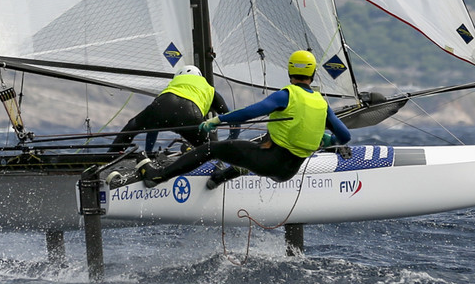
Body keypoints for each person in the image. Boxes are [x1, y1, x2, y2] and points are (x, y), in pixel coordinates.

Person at [139, 49, 352, 191]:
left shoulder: (286, 95)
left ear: (289, 72)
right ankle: (219, 178)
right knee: (258, 145)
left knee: (210, 149)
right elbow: (345, 135)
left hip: (267, 162)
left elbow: (250, 113)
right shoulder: (322, 104)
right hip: (288, 171)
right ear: (313, 73)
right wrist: (328, 142)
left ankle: (157, 176)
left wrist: (217, 120)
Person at [106, 64, 232, 156]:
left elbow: (153, 129)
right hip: (188, 113)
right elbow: (232, 118)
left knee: (131, 127)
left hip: (163, 105)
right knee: (211, 149)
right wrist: (230, 140)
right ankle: (217, 169)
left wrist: (149, 154)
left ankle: (109, 158)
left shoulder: (173, 85)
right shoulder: (209, 89)